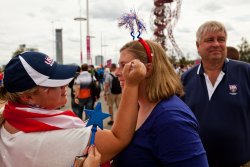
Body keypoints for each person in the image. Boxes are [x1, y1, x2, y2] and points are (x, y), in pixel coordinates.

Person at [0, 51, 146, 167]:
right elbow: (118, 139)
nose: (64, 86)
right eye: (54, 83)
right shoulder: (54, 138)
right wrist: (132, 85)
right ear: (27, 97)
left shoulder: (6, 115)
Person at [111, 39, 209, 167]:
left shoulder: (171, 119)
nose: (118, 72)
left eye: (125, 66)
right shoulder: (137, 107)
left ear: (148, 69)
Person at [181, 20, 250, 167]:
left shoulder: (245, 72)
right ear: (198, 46)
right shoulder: (186, 78)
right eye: (210, 40)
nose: (216, 44)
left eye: (221, 39)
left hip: (240, 162)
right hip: (197, 161)